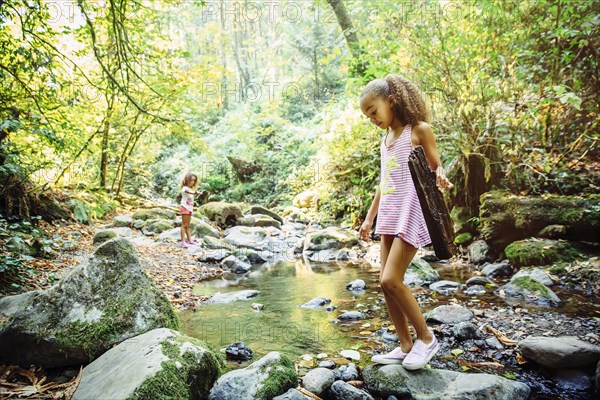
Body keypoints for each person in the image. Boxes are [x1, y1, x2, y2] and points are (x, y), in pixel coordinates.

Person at [358, 74, 454, 370]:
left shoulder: (419, 130)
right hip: (389, 210)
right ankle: (404, 345)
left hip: (412, 211)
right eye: (367, 116)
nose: (372, 119)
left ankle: (427, 339)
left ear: (391, 101)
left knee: (391, 279)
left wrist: (441, 175)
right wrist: (369, 218)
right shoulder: (385, 140)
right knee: (384, 285)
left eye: (374, 111)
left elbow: (436, 165)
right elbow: (383, 181)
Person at [179, 172, 200, 248]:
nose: (192, 182)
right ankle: (182, 242)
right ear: (187, 180)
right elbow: (187, 192)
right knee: (184, 225)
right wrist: (195, 193)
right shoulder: (185, 188)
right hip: (185, 207)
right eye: (191, 180)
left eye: (194, 181)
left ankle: (190, 240)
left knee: (187, 225)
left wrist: (195, 192)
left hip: (189, 208)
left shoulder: (191, 189)